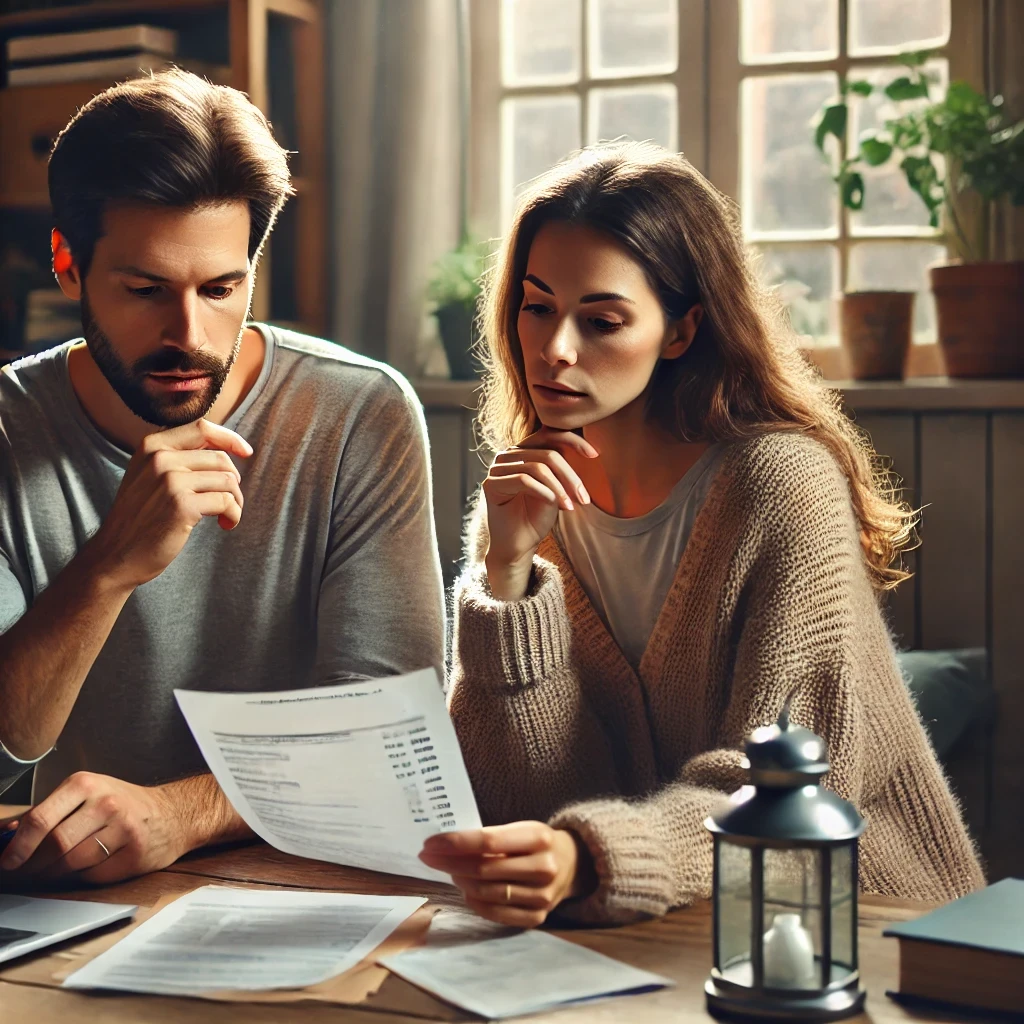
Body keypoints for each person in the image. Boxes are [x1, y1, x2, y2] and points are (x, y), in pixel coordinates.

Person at [418, 141, 985, 928]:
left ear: (680, 333)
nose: (555, 349)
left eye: (603, 319)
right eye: (537, 305)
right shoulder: (523, 508)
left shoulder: (780, 486)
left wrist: (587, 856)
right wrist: (507, 576)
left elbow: (791, 798)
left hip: (857, 926)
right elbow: (520, 799)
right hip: (637, 932)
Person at [0, 70, 444, 883]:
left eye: (222, 288)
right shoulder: (8, 426)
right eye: (145, 290)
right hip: (80, 890)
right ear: (66, 264)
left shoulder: (357, 415)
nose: (190, 335)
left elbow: (390, 742)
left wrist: (180, 813)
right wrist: (108, 568)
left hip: (312, 872)